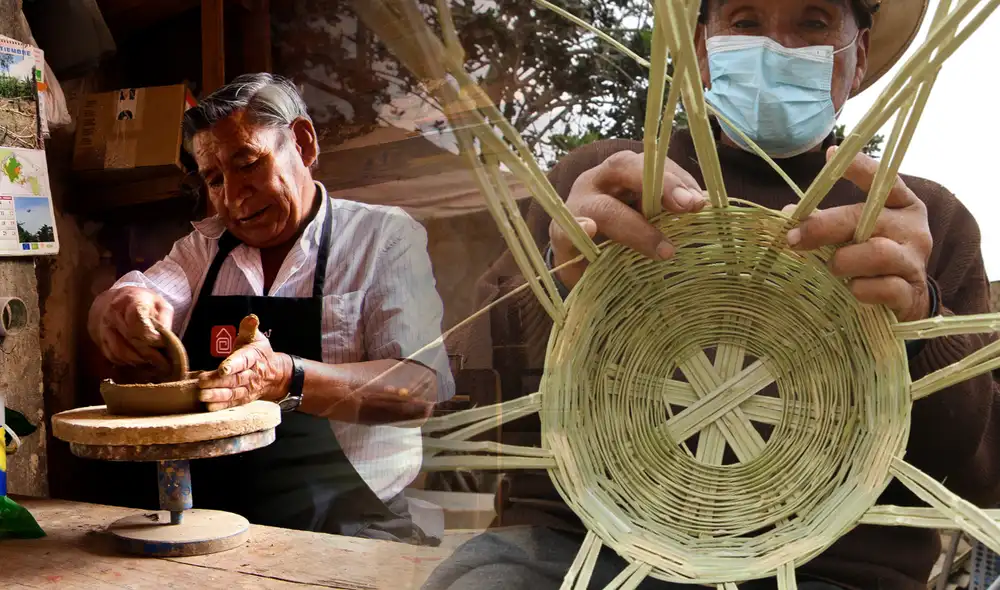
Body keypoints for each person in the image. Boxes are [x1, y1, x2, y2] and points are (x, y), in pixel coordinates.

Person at [428, 0, 1000, 588]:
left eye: (813, 21)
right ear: (702, 51)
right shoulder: (604, 180)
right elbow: (474, 399)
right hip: (574, 549)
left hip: (833, 568)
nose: (776, 49)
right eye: (745, 22)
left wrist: (919, 319)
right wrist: (560, 278)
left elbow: (979, 473)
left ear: (857, 59)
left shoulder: (920, 221)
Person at [87, 73, 454, 542]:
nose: (233, 197)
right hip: (214, 513)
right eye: (215, 179)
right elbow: (134, 295)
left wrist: (286, 378)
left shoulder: (382, 239)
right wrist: (120, 309)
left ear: (301, 143)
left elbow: (419, 388)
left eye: (248, 164)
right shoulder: (204, 250)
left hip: (349, 525)